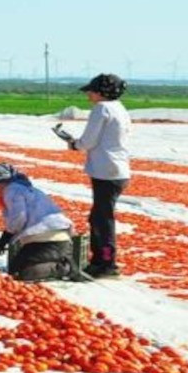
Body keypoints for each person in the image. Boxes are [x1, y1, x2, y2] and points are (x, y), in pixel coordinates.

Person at [66, 73, 131, 278]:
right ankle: (102, 260)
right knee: (100, 217)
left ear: (101, 92)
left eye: (91, 91)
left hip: (106, 170)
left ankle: (105, 263)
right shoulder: (119, 108)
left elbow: (89, 141)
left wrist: (74, 144)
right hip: (118, 168)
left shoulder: (101, 109)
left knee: (102, 220)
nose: (88, 95)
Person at [0, 163, 75, 282]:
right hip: (48, 238)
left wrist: (5, 238)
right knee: (14, 269)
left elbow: (18, 217)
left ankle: (64, 268)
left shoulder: (12, 190)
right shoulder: (22, 188)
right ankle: (60, 259)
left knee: (21, 273)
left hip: (49, 239)